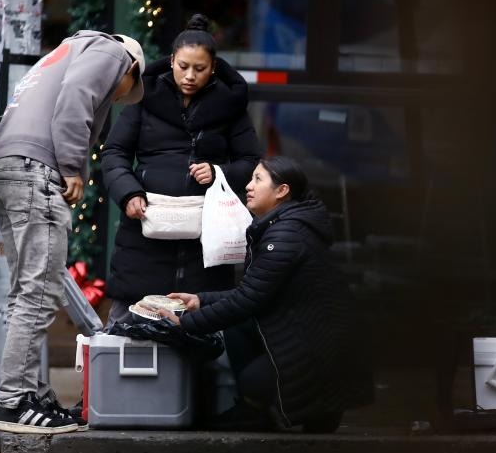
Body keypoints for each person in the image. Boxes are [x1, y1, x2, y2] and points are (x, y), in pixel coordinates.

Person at [0, 30, 145, 434]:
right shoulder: (111, 51)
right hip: (36, 167)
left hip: (7, 162)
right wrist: (73, 166)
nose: (119, 97)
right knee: (40, 289)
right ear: (131, 68)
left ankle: (26, 393)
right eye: (126, 90)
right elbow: (78, 94)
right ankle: (14, 402)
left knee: (28, 288)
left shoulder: (63, 51)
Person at [157, 156, 370, 433]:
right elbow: (253, 291)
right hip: (313, 336)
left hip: (321, 350)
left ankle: (286, 407)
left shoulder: (285, 235)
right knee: (238, 328)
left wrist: (186, 324)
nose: (248, 186)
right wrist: (201, 300)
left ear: (282, 191)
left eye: (258, 179)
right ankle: (260, 411)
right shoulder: (286, 224)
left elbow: (249, 299)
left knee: (253, 380)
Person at [101, 14, 261, 325]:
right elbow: (114, 152)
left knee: (200, 332)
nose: (189, 76)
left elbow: (251, 163)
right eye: (183, 66)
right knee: (127, 325)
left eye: (199, 69)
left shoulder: (230, 106)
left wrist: (218, 173)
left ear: (213, 68)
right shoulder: (143, 96)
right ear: (171, 60)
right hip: (144, 228)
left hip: (206, 238)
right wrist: (128, 193)